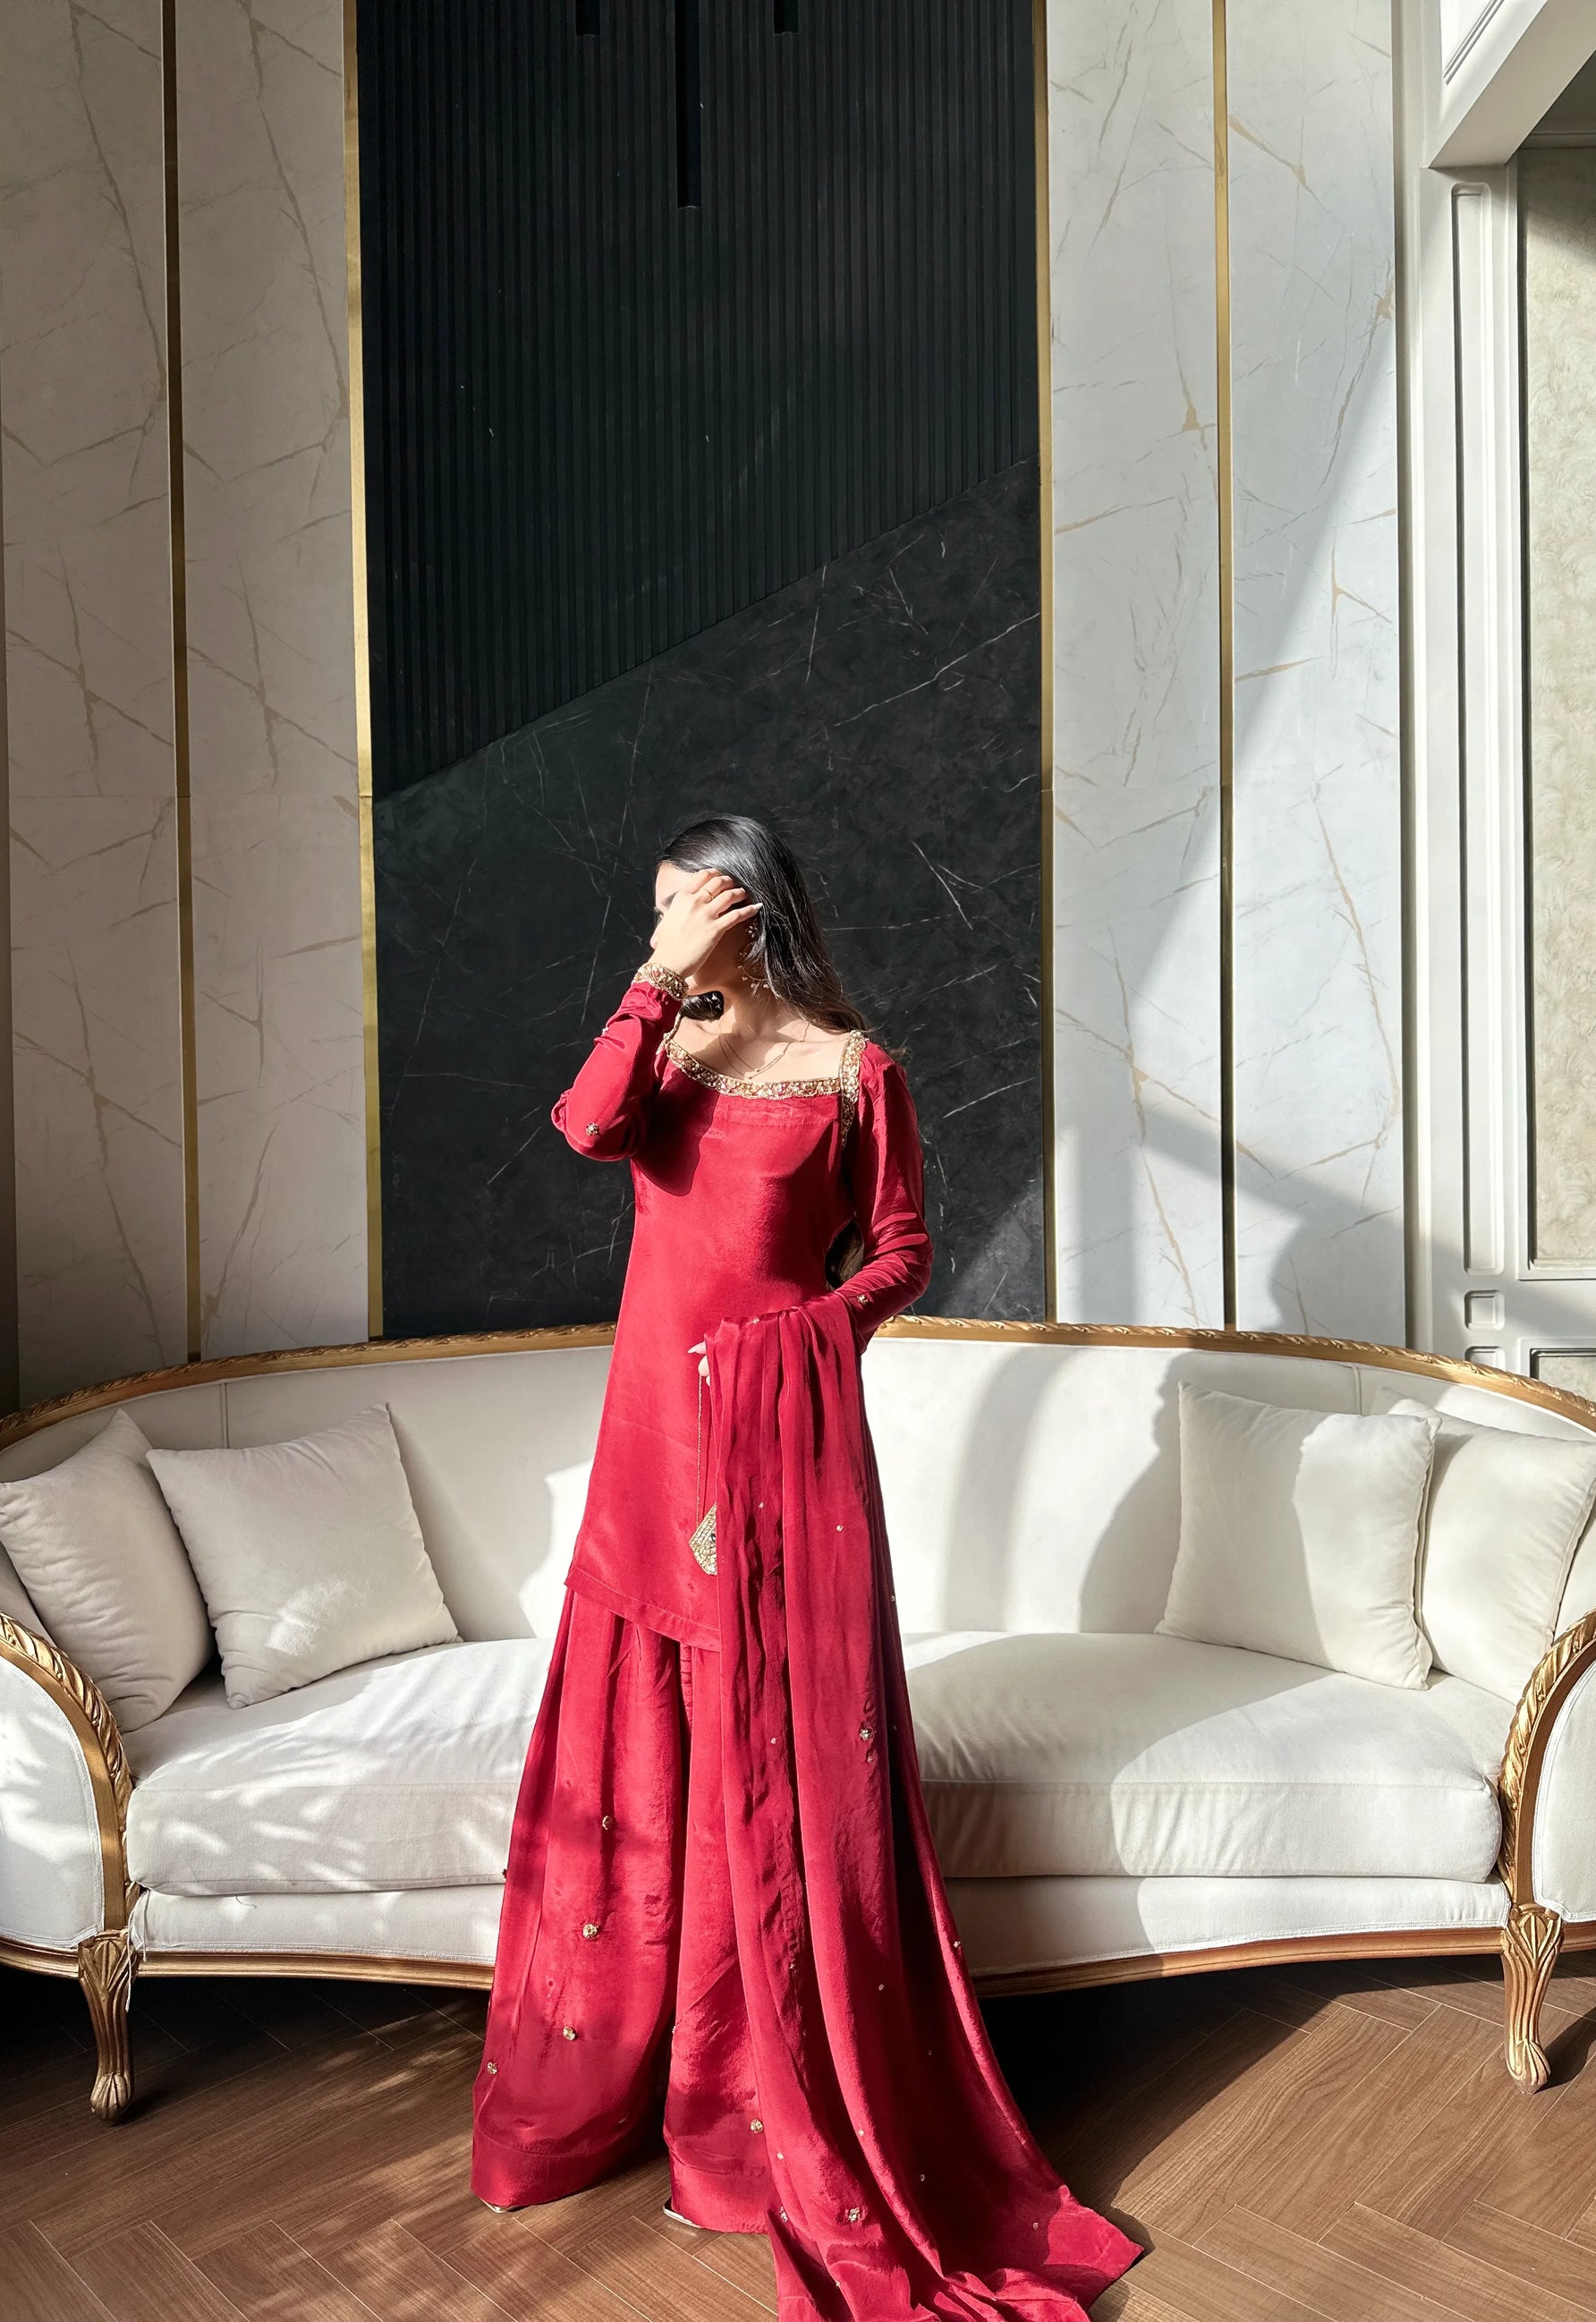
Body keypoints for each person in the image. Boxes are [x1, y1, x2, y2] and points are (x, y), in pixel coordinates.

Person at [471, 814, 1141, 2320]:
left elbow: (899, 1250)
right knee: (646, 1755)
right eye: (654, 918)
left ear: (747, 913)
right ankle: (615, 2096)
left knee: (767, 1764)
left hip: (776, 1442)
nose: (660, 936)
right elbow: (583, 1129)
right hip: (652, 1442)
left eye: (681, 912)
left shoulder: (853, 1070)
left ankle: (746, 2122)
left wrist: (805, 1335)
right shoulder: (660, 1051)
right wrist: (653, 985)